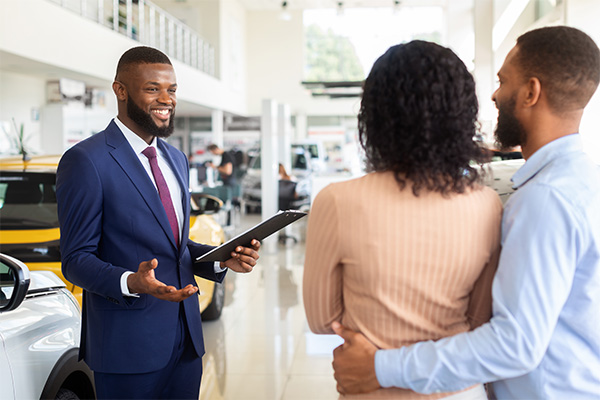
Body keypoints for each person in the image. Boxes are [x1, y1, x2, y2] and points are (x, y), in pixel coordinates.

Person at [330, 26, 600, 399]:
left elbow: (515, 344)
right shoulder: (584, 181)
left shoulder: (546, 199)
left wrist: (380, 367)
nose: (493, 93)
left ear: (531, 92)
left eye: (503, 81)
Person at [56, 46, 261, 400]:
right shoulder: (86, 161)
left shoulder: (175, 158)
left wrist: (220, 258)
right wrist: (131, 282)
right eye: (153, 89)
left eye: (172, 90)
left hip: (186, 343)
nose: (166, 99)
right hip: (127, 347)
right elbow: (76, 260)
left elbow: (174, 247)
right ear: (120, 90)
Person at [303, 40, 502, 399]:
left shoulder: (337, 200)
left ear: (375, 116)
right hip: (457, 389)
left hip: (369, 387)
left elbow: (321, 320)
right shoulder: (488, 204)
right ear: (461, 116)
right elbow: (478, 319)